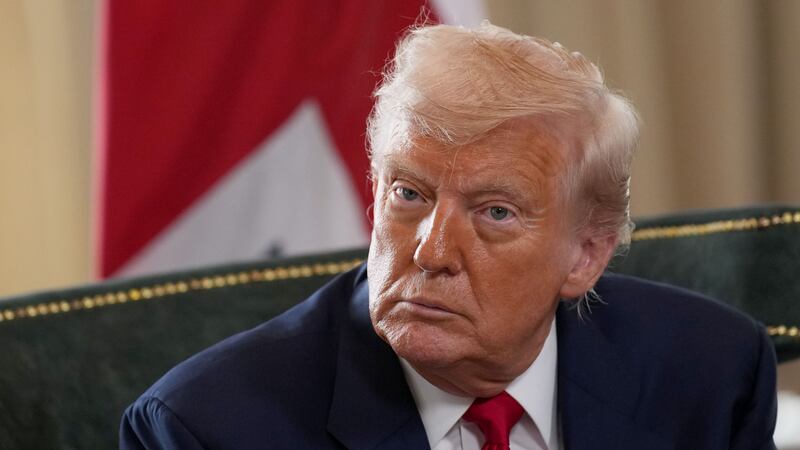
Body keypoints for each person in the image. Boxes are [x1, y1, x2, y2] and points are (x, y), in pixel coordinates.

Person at [120, 22, 777, 450]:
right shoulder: (205, 429)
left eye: (495, 213)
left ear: (586, 254)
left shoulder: (714, 375)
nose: (431, 253)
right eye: (410, 195)